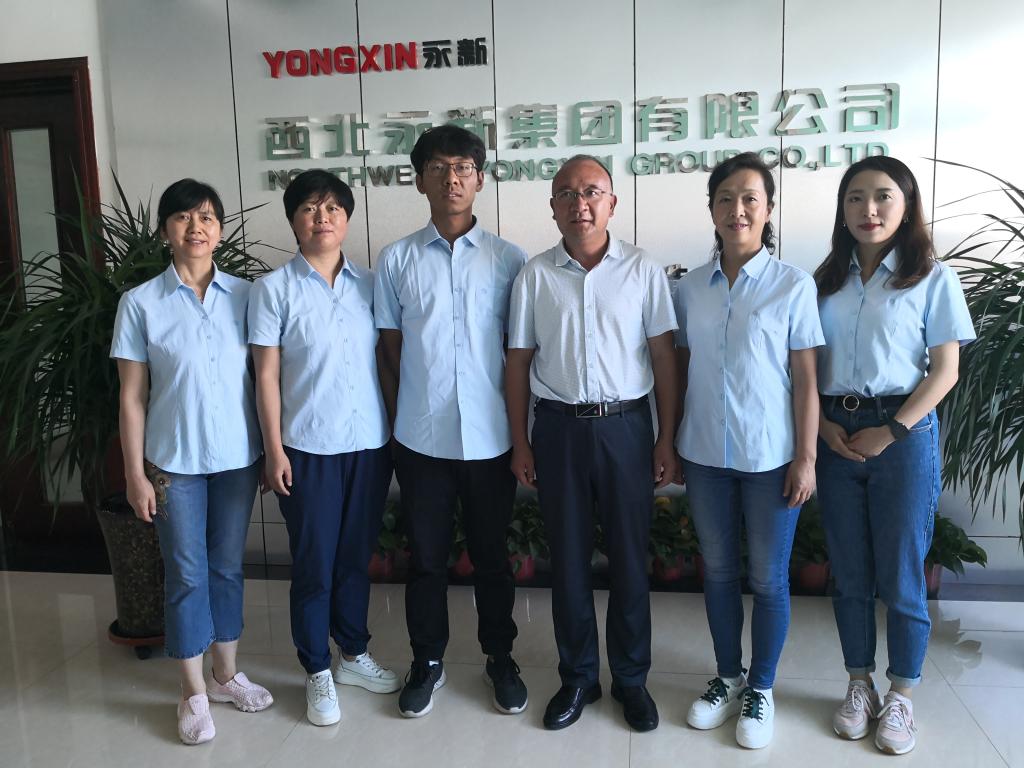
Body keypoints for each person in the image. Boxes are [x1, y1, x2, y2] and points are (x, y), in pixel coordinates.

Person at [506, 154, 678, 733]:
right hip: (557, 430)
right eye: (567, 194)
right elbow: (517, 362)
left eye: (591, 192)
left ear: (612, 202)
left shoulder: (643, 270)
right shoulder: (535, 275)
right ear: (553, 207)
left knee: (629, 560)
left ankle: (631, 679)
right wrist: (520, 442)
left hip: (626, 429)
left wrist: (665, 438)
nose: (579, 204)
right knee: (569, 562)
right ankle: (578, 676)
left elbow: (663, 358)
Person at [814, 155, 975, 755]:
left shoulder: (932, 278)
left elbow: (945, 370)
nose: (869, 209)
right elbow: (802, 363)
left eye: (883, 196)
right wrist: (823, 427)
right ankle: (859, 684)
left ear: (906, 207)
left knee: (903, 575)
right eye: (856, 197)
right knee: (849, 573)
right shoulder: (825, 279)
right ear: (842, 209)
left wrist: (892, 431)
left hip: (901, 435)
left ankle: (902, 693)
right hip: (835, 433)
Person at [374, 124, 529, 718]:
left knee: (492, 558)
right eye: (437, 168)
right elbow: (390, 350)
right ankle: (427, 660)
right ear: (420, 181)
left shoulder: (508, 259)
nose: (451, 178)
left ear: (480, 179)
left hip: (491, 438)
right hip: (422, 438)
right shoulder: (396, 259)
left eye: (463, 167)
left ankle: (500, 658)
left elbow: (519, 350)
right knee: (426, 562)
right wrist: (404, 416)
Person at [112, 178, 273, 745]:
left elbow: (265, 379)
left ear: (220, 231)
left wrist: (270, 451)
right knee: (186, 572)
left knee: (226, 566)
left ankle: (226, 675)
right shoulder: (140, 303)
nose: (195, 227)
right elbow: (132, 397)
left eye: (206, 217)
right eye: (182, 217)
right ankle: (192, 691)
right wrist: (134, 473)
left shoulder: (248, 296)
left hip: (236, 458)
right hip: (172, 461)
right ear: (165, 231)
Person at [674, 152, 823, 749]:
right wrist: (671, 441)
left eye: (750, 199)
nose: (737, 209)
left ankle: (761, 687)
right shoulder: (689, 288)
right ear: (711, 209)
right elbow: (681, 368)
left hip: (771, 459)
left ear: (767, 209)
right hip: (705, 454)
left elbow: (806, 379)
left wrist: (806, 457)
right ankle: (727, 677)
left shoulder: (793, 285)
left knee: (767, 578)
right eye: (726, 199)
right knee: (716, 572)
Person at [248, 170, 397, 727]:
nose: (322, 217)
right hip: (307, 449)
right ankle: (316, 668)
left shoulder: (370, 285)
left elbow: (385, 360)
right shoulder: (272, 290)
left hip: (368, 446)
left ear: (347, 219)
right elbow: (265, 377)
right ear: (294, 220)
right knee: (314, 564)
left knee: (356, 558)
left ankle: (352, 654)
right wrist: (273, 450)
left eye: (333, 207)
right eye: (310, 208)